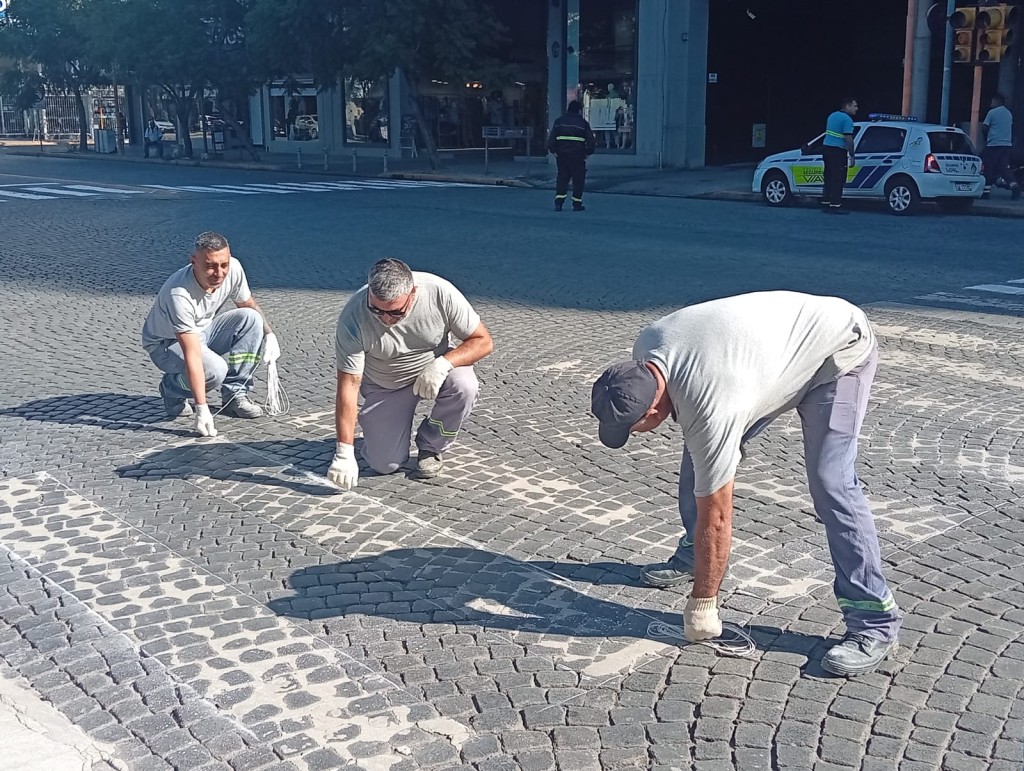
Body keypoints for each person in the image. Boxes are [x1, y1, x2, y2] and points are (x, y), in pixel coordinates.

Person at [590, 291, 902, 677]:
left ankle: (875, 621)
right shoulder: (648, 347)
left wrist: (703, 604)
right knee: (698, 457)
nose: (635, 435)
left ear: (654, 410)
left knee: (831, 483)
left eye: (634, 428)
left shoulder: (714, 402)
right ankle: (693, 555)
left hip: (837, 351)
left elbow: (717, 515)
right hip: (768, 359)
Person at [327, 259, 494, 487]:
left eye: (396, 312)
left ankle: (431, 446)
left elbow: (482, 341)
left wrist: (442, 364)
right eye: (376, 310)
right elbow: (349, 385)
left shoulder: (440, 292)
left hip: (435, 369)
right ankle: (382, 433)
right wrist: (344, 452)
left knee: (464, 386)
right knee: (383, 464)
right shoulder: (354, 317)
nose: (385, 320)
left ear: (413, 294)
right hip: (385, 384)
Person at [142, 232, 277, 436]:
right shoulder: (179, 294)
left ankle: (235, 394)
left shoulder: (234, 268)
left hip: (204, 330)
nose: (219, 273)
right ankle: (171, 388)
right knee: (214, 370)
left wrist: (269, 335)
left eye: (224, 264)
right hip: (166, 343)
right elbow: (192, 354)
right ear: (193, 262)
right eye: (210, 266)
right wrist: (202, 410)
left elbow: (247, 303)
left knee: (251, 318)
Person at [547, 100, 596, 212]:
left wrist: (554, 151)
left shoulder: (559, 122)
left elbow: (551, 139)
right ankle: (577, 204)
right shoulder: (583, 123)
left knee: (562, 179)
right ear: (579, 110)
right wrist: (588, 153)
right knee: (578, 180)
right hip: (578, 156)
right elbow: (591, 142)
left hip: (562, 156)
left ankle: (559, 203)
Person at [822, 97, 858, 214]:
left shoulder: (832, 116)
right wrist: (852, 154)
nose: (857, 109)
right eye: (854, 106)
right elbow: (848, 138)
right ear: (847, 106)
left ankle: (826, 203)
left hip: (826, 149)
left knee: (828, 177)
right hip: (838, 152)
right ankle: (835, 206)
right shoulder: (847, 120)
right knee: (838, 178)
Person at [981, 94, 1021, 200]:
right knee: (1004, 168)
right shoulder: (1008, 114)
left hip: (993, 144)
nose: (991, 103)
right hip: (1006, 145)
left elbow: (984, 127)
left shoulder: (992, 113)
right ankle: (1014, 186)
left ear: (997, 101)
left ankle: (986, 192)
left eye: (992, 101)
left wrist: (986, 139)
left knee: (988, 167)